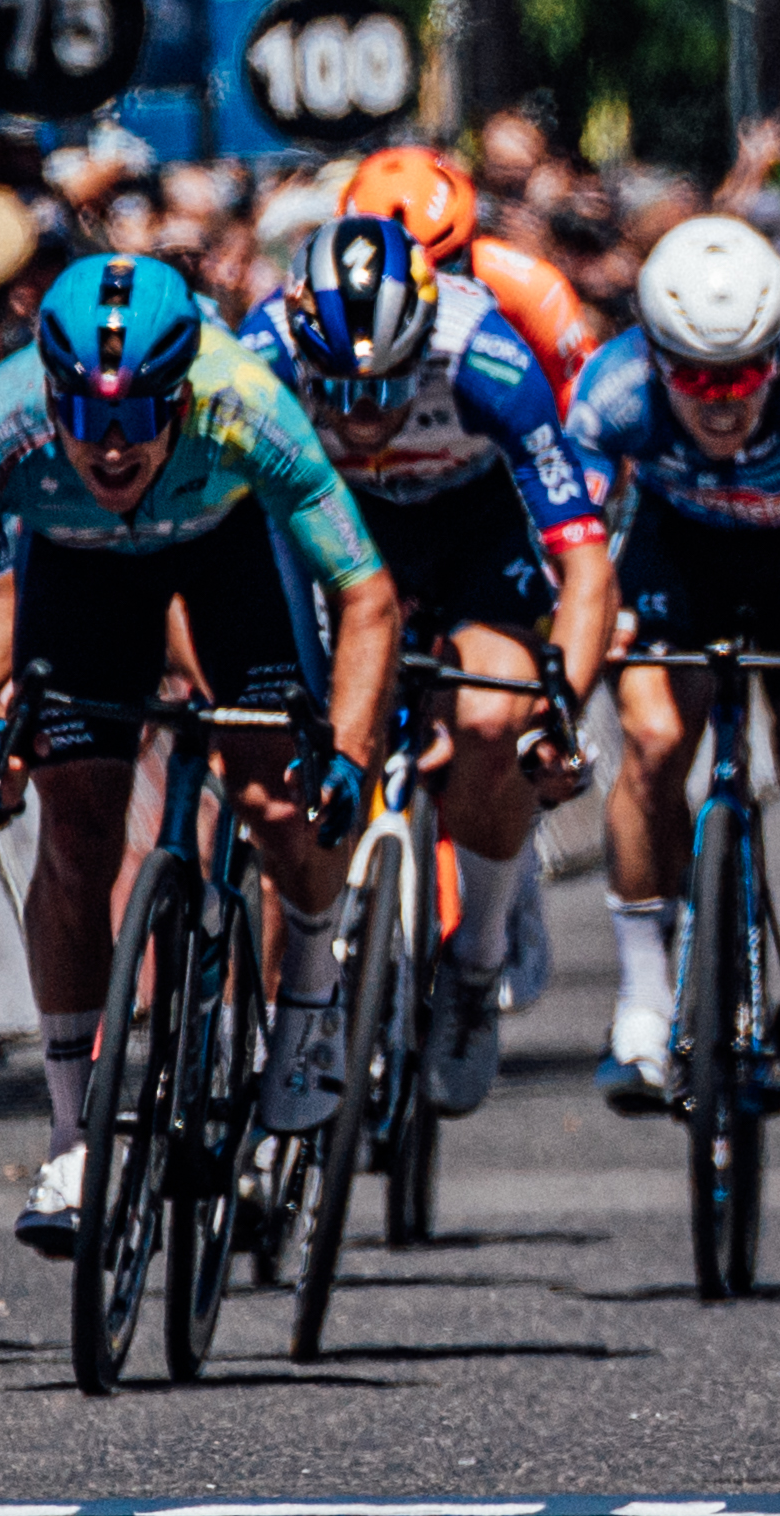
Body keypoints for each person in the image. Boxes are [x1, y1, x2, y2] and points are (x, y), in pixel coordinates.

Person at [0, 255, 399, 1250]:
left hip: (229, 558)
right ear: (50, 398)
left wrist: (348, 753)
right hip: (79, 578)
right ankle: (73, 1135)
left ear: (184, 394)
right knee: (78, 836)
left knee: (282, 804)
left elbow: (365, 594)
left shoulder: (247, 406)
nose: (114, 448)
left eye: (138, 420)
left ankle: (306, 1007)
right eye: (86, 420)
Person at [242, 215, 617, 1114]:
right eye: (340, 388)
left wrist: (560, 705)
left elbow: (586, 562)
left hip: (470, 525)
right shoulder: (256, 361)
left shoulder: (488, 357)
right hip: (332, 527)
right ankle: (275, 1029)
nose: (366, 412)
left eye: (389, 384)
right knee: (294, 765)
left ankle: (476, 962)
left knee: (494, 719)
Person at [568, 216, 780, 1120]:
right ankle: (643, 1000)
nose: (720, 400)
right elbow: (579, 548)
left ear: (775, 356)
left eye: (742, 375)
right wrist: (584, 640)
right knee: (650, 740)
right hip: (676, 562)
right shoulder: (611, 388)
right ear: (656, 359)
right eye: (693, 377)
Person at [343, 145, 605, 395]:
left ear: (470, 240)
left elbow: (579, 404)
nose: (428, 291)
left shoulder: (534, 289)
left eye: (448, 267)